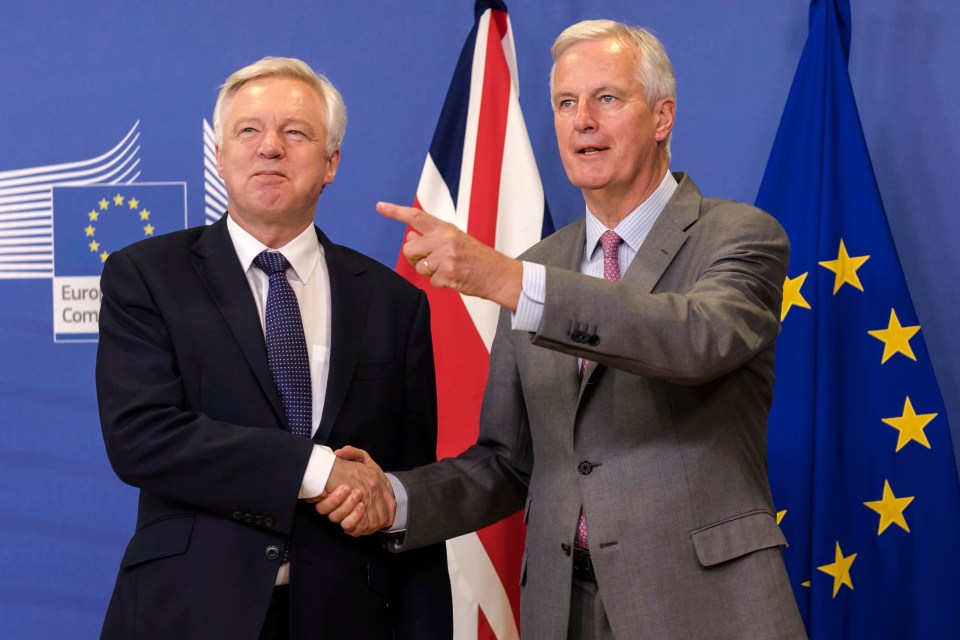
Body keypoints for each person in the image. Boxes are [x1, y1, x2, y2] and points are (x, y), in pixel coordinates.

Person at [318, 19, 807, 640]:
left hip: (702, 604)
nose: (582, 121)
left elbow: (695, 340)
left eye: (607, 98)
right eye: (566, 103)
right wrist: (395, 497)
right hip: (561, 609)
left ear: (663, 118)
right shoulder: (537, 264)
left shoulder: (738, 236)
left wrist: (510, 281)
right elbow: (510, 464)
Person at [96, 57, 452, 640]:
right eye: (248, 130)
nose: (270, 148)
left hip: (350, 616)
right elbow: (141, 437)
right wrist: (317, 470)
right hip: (188, 612)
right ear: (220, 155)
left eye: (295, 132)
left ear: (331, 161)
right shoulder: (146, 275)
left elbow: (405, 489)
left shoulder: (394, 301)